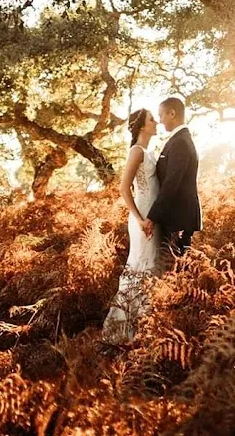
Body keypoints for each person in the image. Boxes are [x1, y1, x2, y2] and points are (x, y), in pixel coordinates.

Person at [102, 108, 162, 344]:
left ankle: (146, 324)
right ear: (141, 126)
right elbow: (123, 189)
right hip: (142, 216)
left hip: (154, 215)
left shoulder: (150, 151)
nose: (156, 122)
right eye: (151, 119)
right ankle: (124, 329)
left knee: (152, 266)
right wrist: (139, 220)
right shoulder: (136, 151)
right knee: (139, 266)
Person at [147, 96, 202, 259]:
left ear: (172, 113)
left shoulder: (181, 142)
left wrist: (152, 216)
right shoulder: (179, 139)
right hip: (175, 217)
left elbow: (172, 183)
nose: (159, 120)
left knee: (177, 268)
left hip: (178, 218)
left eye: (161, 115)